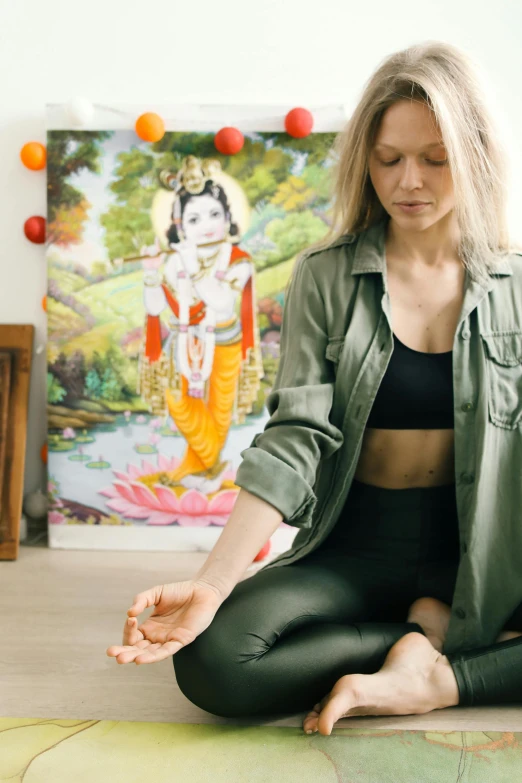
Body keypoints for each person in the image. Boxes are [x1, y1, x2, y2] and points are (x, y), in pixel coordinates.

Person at [106, 41, 522, 736]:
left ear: (476, 156)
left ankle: (439, 676)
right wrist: (212, 585)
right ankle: (417, 633)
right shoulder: (325, 277)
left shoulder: (515, 285)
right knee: (213, 660)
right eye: (388, 159)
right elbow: (295, 439)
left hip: (483, 546)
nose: (408, 180)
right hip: (358, 545)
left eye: (434, 157)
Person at [136, 155, 264, 493]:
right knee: (178, 401)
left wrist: (192, 265)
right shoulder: (175, 261)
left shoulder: (239, 261)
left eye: (214, 214)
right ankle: (210, 465)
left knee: (219, 414)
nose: (206, 224)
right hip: (183, 343)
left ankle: (197, 470)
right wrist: (151, 273)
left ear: (228, 218)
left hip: (225, 342)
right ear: (180, 226)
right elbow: (155, 308)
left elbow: (220, 300)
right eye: (194, 218)